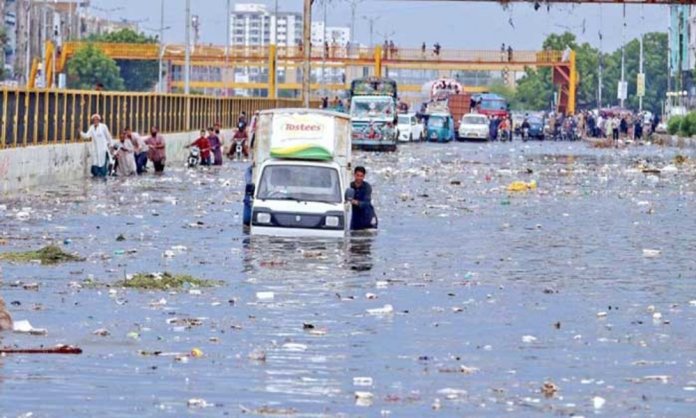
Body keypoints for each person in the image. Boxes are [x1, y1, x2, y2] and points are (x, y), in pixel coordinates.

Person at [80, 114, 113, 178]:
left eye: (96, 119)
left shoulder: (103, 126)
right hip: (95, 150)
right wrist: (80, 132)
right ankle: (97, 179)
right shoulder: (92, 127)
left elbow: (108, 136)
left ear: (99, 120)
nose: (95, 121)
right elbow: (87, 135)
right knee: (95, 166)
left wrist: (111, 145)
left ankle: (103, 180)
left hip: (103, 150)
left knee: (103, 165)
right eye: (94, 120)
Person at [348, 166, 378, 231]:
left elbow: (366, 203)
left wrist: (355, 202)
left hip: (368, 219)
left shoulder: (367, 187)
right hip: (356, 221)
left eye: (361, 176)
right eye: (357, 175)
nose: (359, 178)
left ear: (364, 176)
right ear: (354, 175)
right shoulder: (350, 186)